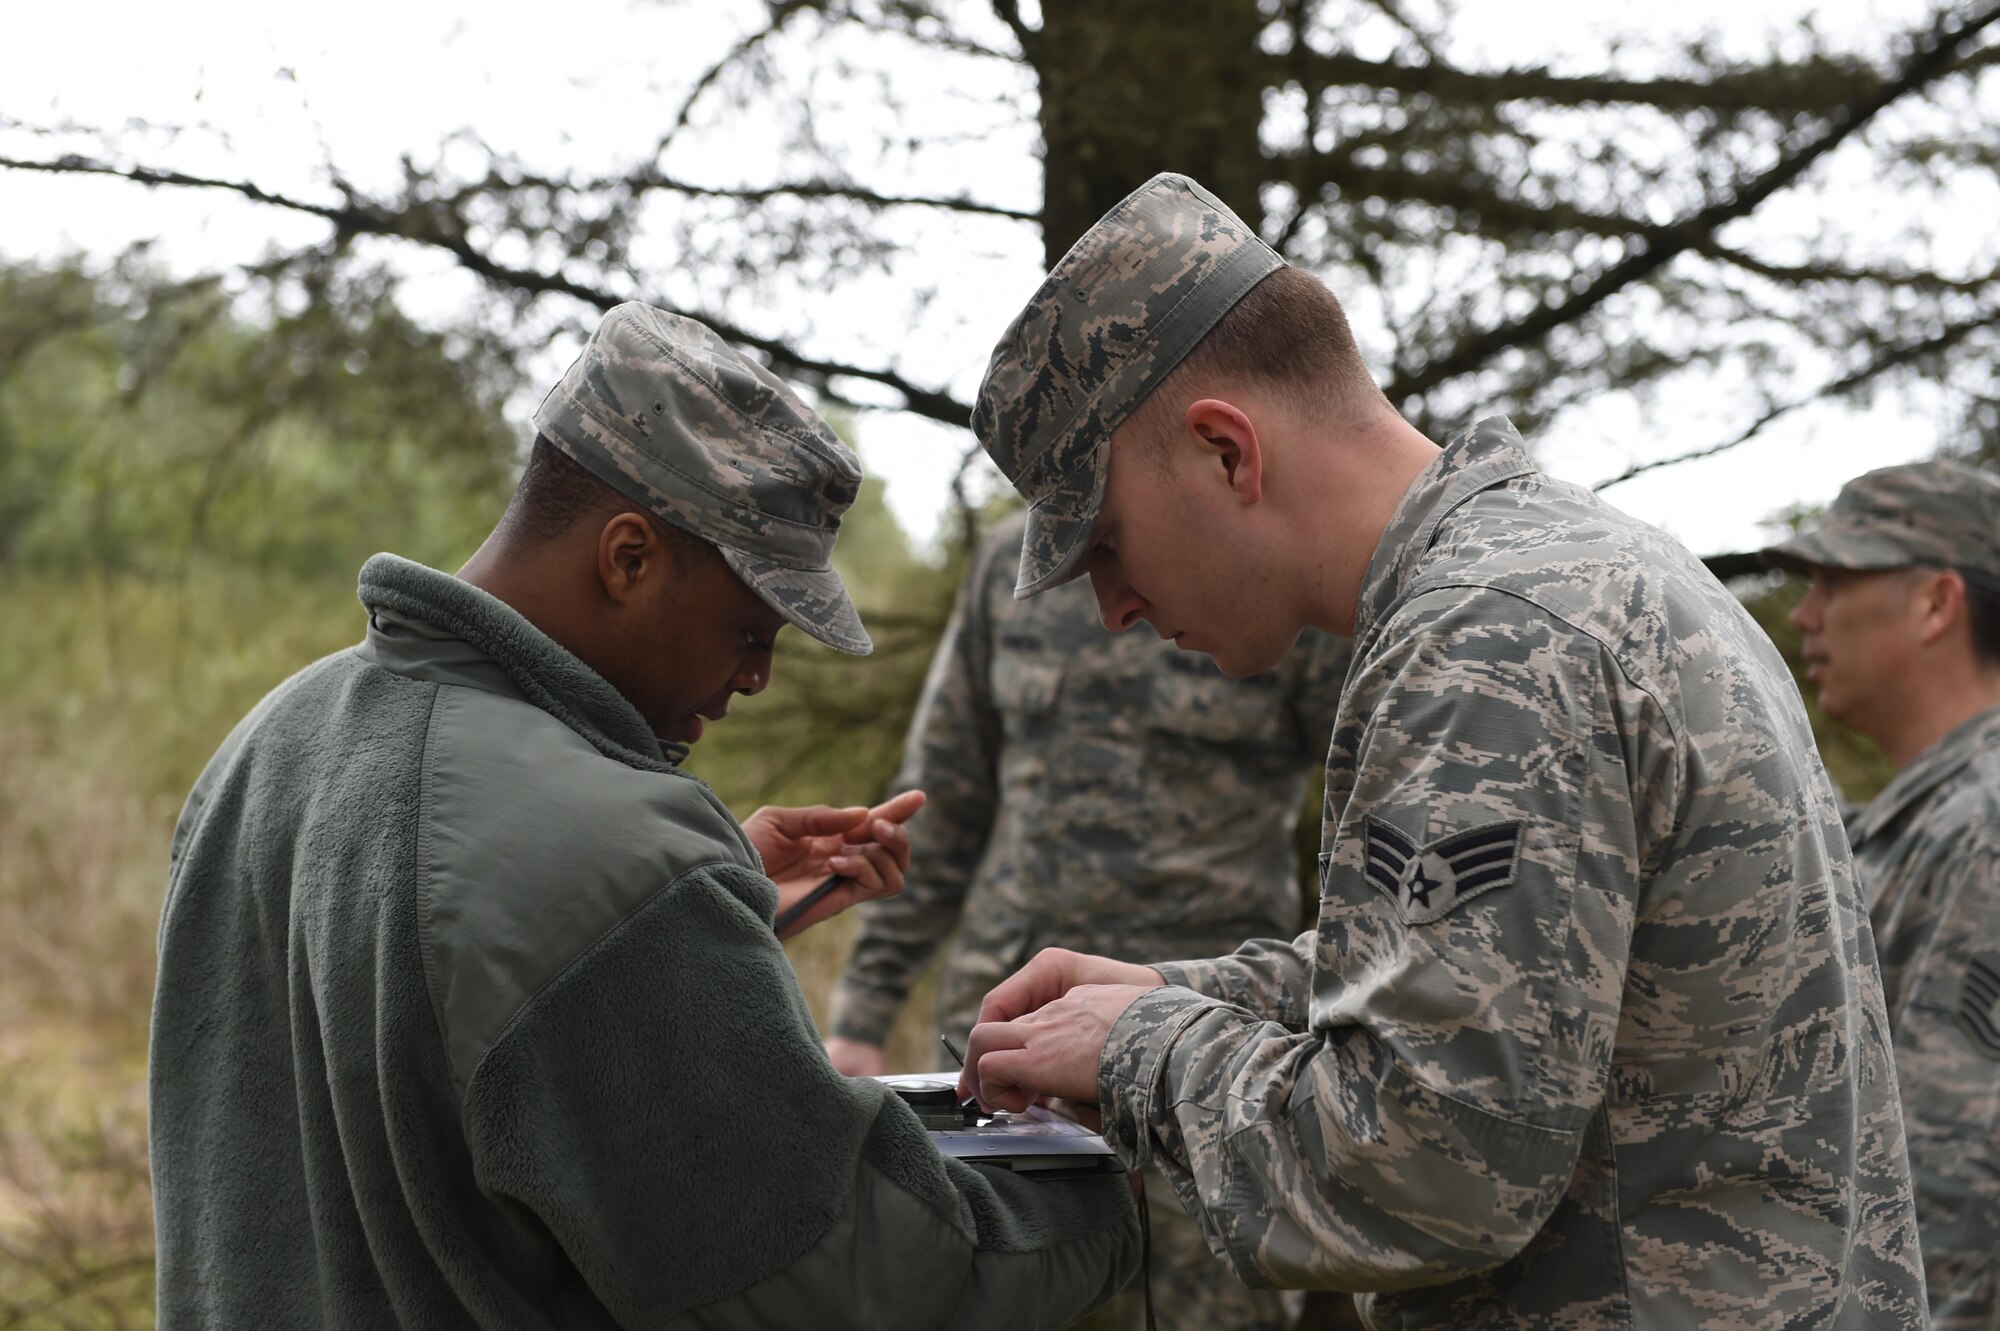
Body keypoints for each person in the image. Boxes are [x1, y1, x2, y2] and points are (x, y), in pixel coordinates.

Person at [955, 173, 1926, 1325]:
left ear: (1225, 451)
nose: (1112, 606)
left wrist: (1146, 1049)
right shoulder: (1576, 569)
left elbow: (1418, 1171)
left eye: (1106, 542)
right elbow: (1524, 980)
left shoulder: (1484, 641)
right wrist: (1198, 991)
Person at [149, 303, 1140, 1329]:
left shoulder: (270, 745)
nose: (755, 676)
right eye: (751, 627)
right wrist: (1128, 1159)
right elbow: (868, 1286)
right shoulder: (611, 859)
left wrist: (712, 906)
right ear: (628, 557)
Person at [824, 508, 1351, 1331]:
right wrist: (863, 1011)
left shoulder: (1263, 574)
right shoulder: (1013, 563)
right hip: (1002, 1055)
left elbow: (1362, 833)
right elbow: (945, 794)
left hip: (1199, 1066)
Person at [1763, 460, 2000, 1329]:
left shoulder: (1984, 822)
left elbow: (1958, 1181)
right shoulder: (1932, 815)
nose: (1805, 614)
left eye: (1835, 579)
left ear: (1938, 604)